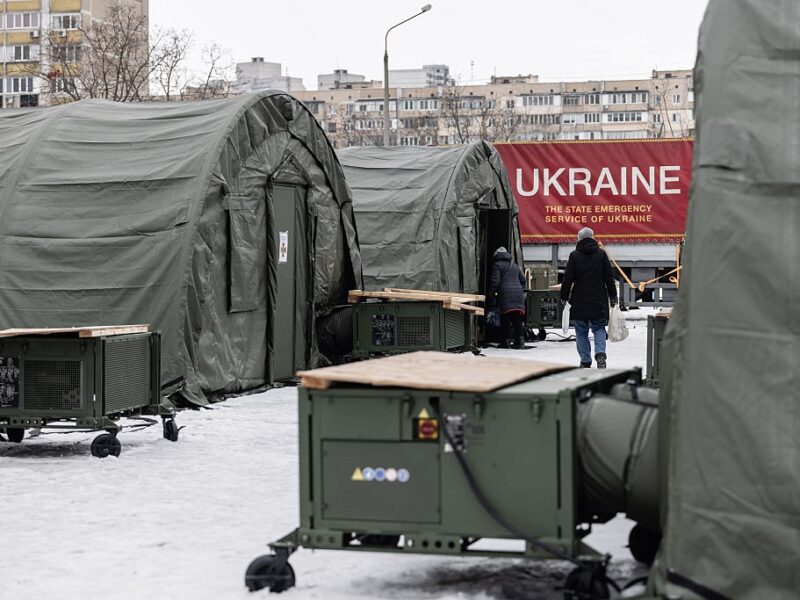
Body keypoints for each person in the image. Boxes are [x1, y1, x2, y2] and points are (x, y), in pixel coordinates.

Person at [560, 227, 618, 368]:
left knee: (581, 330)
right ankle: (600, 354)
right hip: (598, 299)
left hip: (579, 300)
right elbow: (609, 278)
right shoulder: (601, 254)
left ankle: (585, 360)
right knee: (598, 328)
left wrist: (564, 296)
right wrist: (613, 296)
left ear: (579, 238)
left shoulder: (574, 255)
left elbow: (568, 279)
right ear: (592, 237)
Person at [488, 246, 527, 349]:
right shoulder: (514, 265)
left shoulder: (497, 265)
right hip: (518, 294)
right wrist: (517, 288)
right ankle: (520, 341)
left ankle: (506, 341)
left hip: (505, 293)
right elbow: (523, 280)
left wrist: (491, 294)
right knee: (516, 319)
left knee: (505, 318)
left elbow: (495, 282)